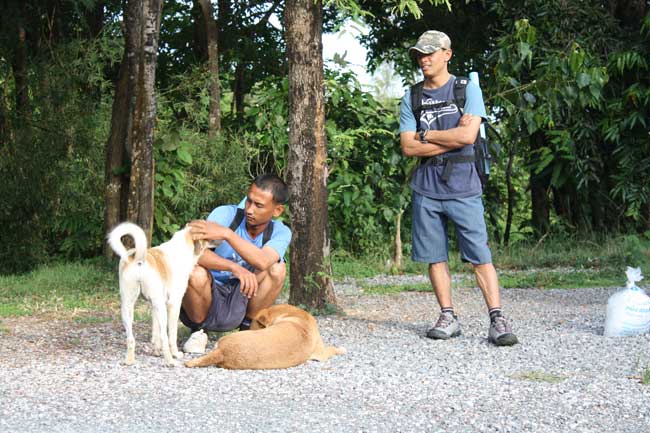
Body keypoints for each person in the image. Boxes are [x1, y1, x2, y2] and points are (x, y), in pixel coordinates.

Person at [399, 30, 518, 346]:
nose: (424, 59)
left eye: (430, 53)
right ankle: (447, 315)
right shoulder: (411, 97)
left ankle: (497, 318)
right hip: (426, 188)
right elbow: (408, 148)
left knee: (480, 255)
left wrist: (427, 136)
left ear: (446, 54)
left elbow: (467, 138)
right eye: (419, 55)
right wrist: (446, 137)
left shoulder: (467, 89)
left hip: (464, 185)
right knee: (434, 256)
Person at [180, 173, 292, 354]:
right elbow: (194, 252)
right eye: (249, 201)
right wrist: (233, 267)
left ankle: (249, 328)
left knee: (277, 268)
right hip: (209, 290)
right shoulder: (226, 214)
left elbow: (263, 261)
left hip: (242, 292)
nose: (249, 209)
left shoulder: (280, 232)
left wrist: (227, 234)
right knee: (194, 271)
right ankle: (198, 331)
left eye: (258, 205)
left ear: (277, 211)